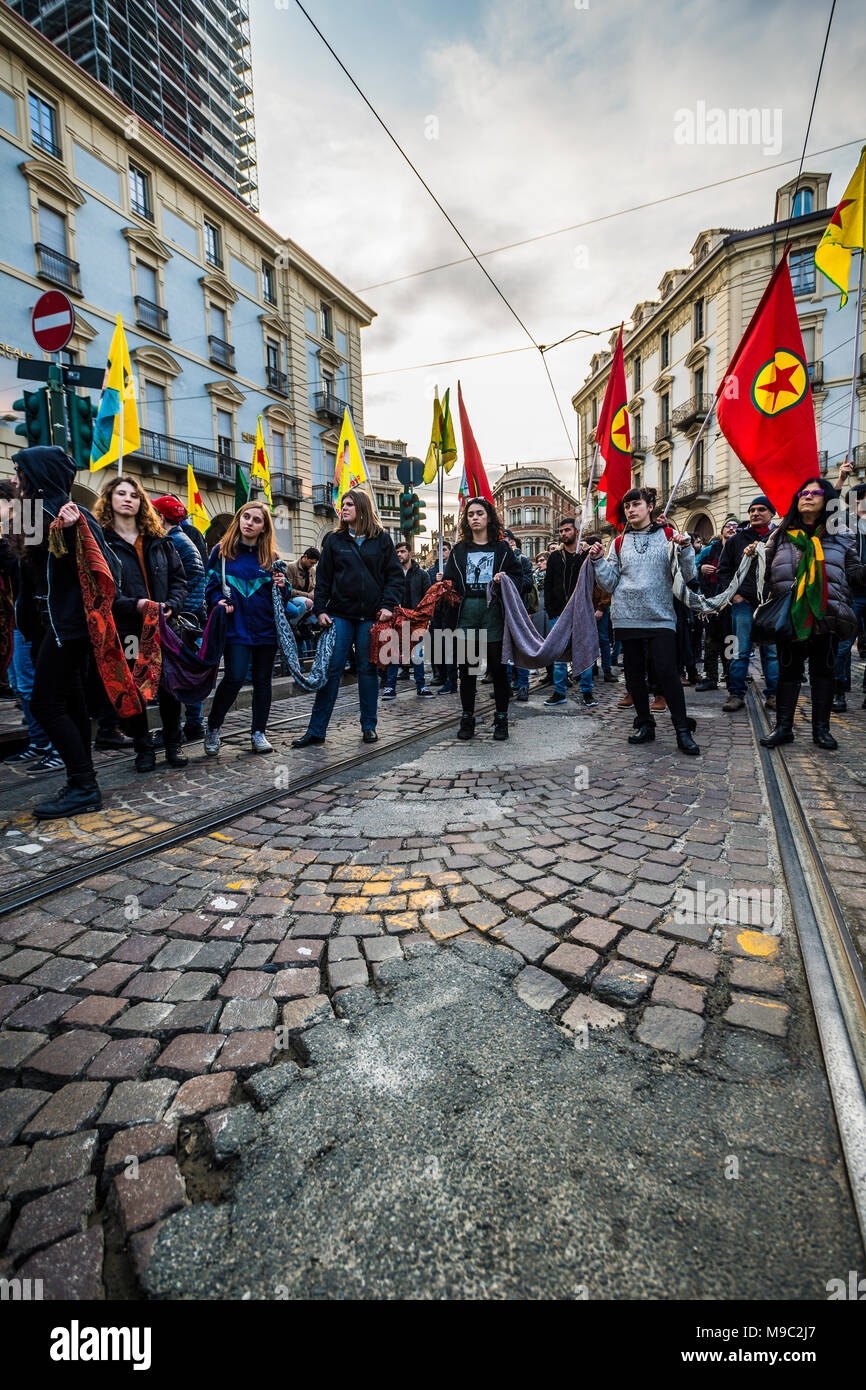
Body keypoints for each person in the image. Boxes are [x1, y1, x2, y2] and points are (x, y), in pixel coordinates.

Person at [13, 446, 114, 817]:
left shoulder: (71, 515)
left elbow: (107, 569)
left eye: (20, 473)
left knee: (45, 704)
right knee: (70, 704)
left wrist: (73, 533)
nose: (15, 480)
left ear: (36, 476)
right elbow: (21, 567)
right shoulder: (31, 513)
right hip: (47, 627)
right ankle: (81, 781)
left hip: (67, 628)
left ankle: (84, 785)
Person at [589, 487, 703, 754]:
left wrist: (685, 549)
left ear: (650, 506)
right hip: (626, 618)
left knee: (667, 672)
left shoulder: (668, 536)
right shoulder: (617, 543)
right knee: (634, 676)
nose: (630, 510)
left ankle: (682, 730)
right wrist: (596, 561)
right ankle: (644, 724)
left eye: (636, 504)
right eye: (627, 506)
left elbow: (687, 575)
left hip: (660, 616)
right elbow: (609, 582)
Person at [760, 477, 866, 750]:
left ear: (827, 499)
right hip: (791, 615)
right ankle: (783, 728)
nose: (807, 496)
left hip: (827, 615)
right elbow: (764, 571)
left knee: (823, 672)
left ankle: (821, 730)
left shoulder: (843, 536)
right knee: (788, 673)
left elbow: (855, 575)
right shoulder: (781, 534)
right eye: (803, 493)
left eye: (815, 492)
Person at [292, 489, 403, 748]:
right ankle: (316, 730)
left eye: (350, 504)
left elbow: (394, 577)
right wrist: (319, 610)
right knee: (331, 671)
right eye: (343, 504)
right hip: (339, 615)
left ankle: (369, 726)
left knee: (367, 670)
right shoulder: (334, 540)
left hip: (371, 617)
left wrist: (388, 606)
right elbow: (324, 580)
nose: (344, 508)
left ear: (362, 508)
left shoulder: (382, 540)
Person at [94, 477, 188, 772]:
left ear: (141, 502)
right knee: (134, 692)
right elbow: (102, 590)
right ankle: (143, 748)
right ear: (109, 499)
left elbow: (179, 580)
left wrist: (172, 605)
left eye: (134, 495)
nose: (127, 499)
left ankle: (173, 744)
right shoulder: (103, 542)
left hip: (163, 626)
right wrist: (133, 605)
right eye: (120, 493)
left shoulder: (158, 540)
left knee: (170, 688)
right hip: (129, 629)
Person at [203, 502, 296, 756]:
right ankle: (213, 727)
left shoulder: (272, 558)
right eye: (246, 517)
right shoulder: (221, 552)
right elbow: (210, 587)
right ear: (239, 519)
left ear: (264, 527)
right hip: (236, 629)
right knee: (234, 677)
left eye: (257, 520)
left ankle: (258, 732)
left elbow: (284, 596)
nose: (250, 523)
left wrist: (282, 585)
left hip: (266, 629)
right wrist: (217, 601)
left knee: (262, 682)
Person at [443, 498, 523, 740]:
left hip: (493, 612)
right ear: (466, 520)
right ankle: (467, 718)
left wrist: (505, 578)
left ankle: (501, 719)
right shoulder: (459, 550)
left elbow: (520, 579)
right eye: (470, 514)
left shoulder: (501, 549)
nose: (475, 518)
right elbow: (451, 585)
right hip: (467, 613)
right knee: (467, 671)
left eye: (479, 513)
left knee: (498, 670)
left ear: (489, 517)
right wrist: (444, 584)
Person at [716, 496, 779, 713]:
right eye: (752, 510)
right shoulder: (736, 540)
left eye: (761, 509)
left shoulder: (780, 537)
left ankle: (774, 695)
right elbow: (723, 571)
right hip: (743, 604)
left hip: (771, 604)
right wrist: (734, 596)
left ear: (772, 513)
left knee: (771, 652)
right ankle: (736, 694)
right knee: (739, 650)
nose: (755, 513)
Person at [152, 494, 207, 742]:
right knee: (185, 672)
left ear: (161, 517)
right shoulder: (180, 540)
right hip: (189, 617)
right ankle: (194, 725)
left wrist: (178, 612)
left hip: (183, 619)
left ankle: (188, 726)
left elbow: (186, 583)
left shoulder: (174, 542)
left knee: (177, 674)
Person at [544, 517, 596, 707]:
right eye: (561, 531)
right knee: (559, 655)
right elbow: (548, 583)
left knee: (584, 651)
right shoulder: (556, 557)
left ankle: (587, 691)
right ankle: (559, 691)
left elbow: (596, 579)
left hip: (581, 611)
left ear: (576, 531)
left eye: (567, 530)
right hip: (559, 612)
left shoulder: (584, 555)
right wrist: (550, 609)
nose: (563, 534)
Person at [382, 541, 435, 699]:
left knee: (416, 652)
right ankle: (390, 687)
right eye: (397, 552)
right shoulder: (391, 574)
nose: (399, 554)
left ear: (410, 553)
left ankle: (421, 686)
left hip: (415, 619)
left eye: (403, 551)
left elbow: (428, 598)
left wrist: (423, 617)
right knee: (393, 652)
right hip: (396, 618)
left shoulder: (422, 574)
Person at [833, 480, 866, 711]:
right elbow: (827, 504)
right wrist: (841, 479)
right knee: (843, 645)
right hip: (849, 592)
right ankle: (838, 692)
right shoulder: (843, 521)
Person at [696, 520, 739, 692]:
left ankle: (730, 676)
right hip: (711, 601)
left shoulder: (739, 549)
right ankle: (711, 677)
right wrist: (701, 567)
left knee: (730, 640)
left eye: (735, 526)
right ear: (722, 531)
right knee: (711, 641)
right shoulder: (709, 550)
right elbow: (694, 566)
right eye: (728, 525)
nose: (731, 528)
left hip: (732, 602)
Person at [503, 530, 535, 701]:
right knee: (505, 650)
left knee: (521, 649)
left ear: (512, 542)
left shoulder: (522, 560)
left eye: (505, 540)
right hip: (502, 610)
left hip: (519, 609)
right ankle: (506, 685)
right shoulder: (498, 560)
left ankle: (523, 685)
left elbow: (528, 584)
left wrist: (507, 581)